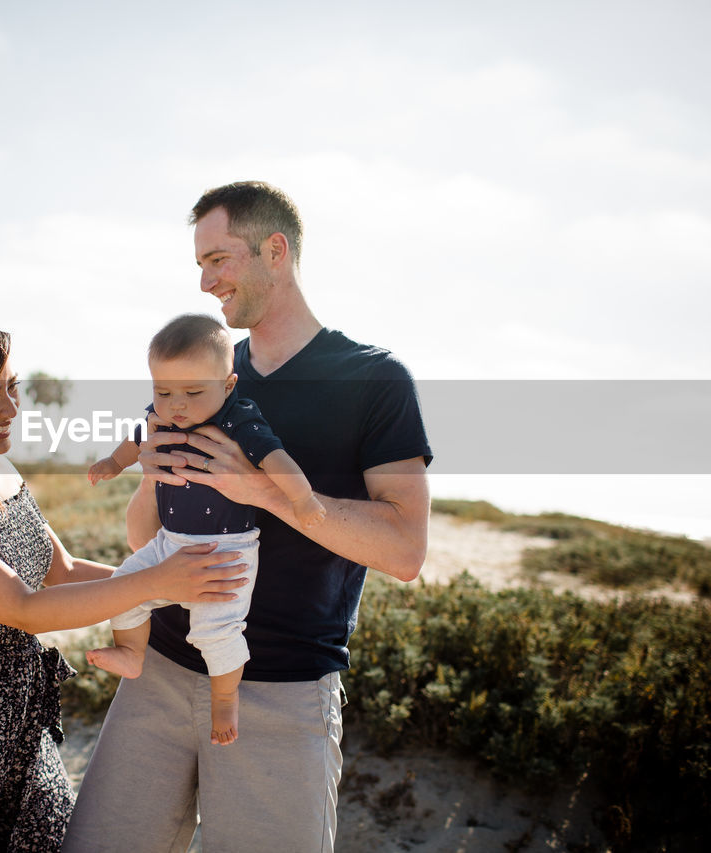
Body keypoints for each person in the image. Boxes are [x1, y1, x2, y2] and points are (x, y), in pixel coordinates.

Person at [62, 182, 432, 853]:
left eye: (218, 259)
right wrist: (148, 476)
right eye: (198, 264)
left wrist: (262, 489)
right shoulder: (201, 375)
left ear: (276, 250)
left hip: (283, 696)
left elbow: (406, 550)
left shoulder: (374, 382)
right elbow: (146, 535)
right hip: (161, 675)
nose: (205, 283)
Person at [0, 316, 249, 852]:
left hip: (21, 715)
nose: (12, 409)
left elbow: (59, 571)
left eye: (12, 388)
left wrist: (166, 591)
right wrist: (155, 580)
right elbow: (24, 607)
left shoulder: (2, 472)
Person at [85, 313, 325, 747]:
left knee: (217, 630)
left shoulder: (237, 420)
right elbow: (136, 439)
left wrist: (303, 500)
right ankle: (132, 653)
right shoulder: (163, 420)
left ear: (228, 386)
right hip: (169, 542)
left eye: (193, 392)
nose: (177, 404)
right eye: (163, 391)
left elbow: (277, 460)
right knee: (123, 586)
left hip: (226, 548)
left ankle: (224, 700)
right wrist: (113, 463)